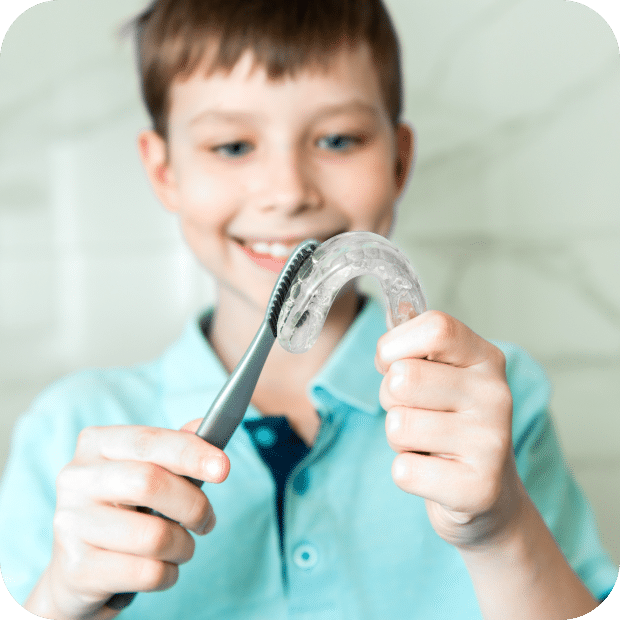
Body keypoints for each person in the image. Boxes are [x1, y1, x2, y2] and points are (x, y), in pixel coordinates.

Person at [0, 1, 617, 618]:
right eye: (234, 145)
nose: (290, 191)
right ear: (165, 172)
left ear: (399, 160)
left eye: (338, 139)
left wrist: (501, 530)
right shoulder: (70, 432)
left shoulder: (499, 402)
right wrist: (62, 597)